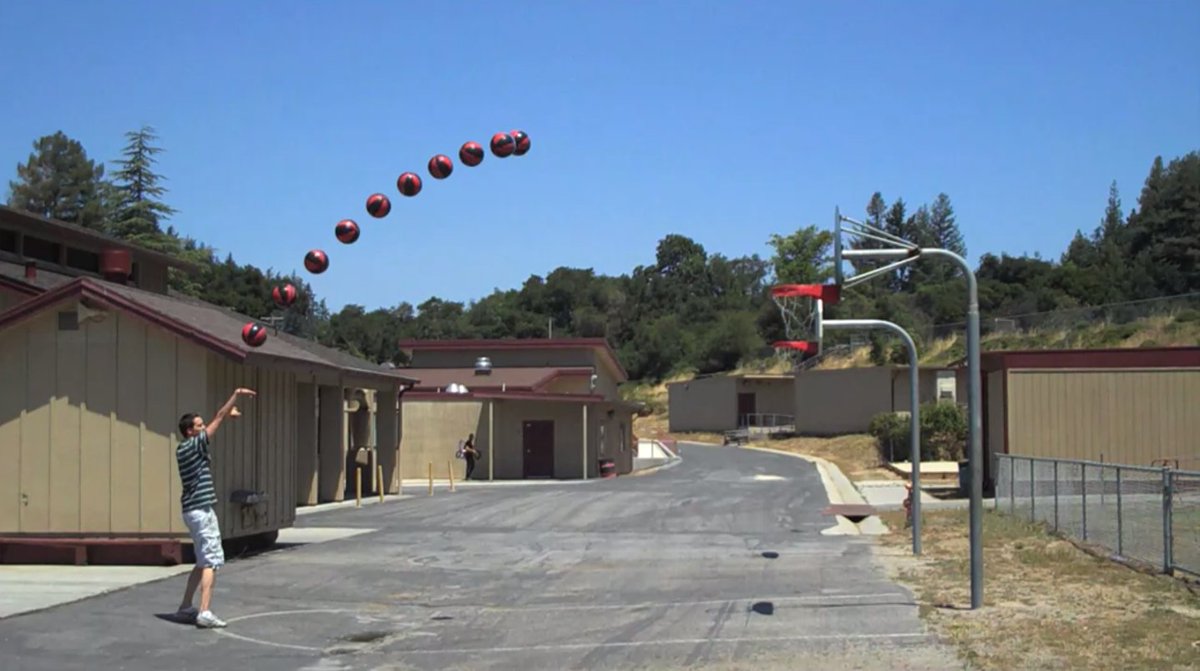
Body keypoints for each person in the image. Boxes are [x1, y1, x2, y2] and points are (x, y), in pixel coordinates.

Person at [174, 387, 257, 629]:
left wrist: (228, 414)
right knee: (211, 561)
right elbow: (218, 418)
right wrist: (236, 395)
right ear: (190, 431)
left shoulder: (185, 449)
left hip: (192, 510)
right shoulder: (191, 445)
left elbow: (218, 420)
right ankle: (204, 611)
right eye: (199, 426)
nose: (203, 428)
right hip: (200, 510)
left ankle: (185, 606)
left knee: (201, 561)